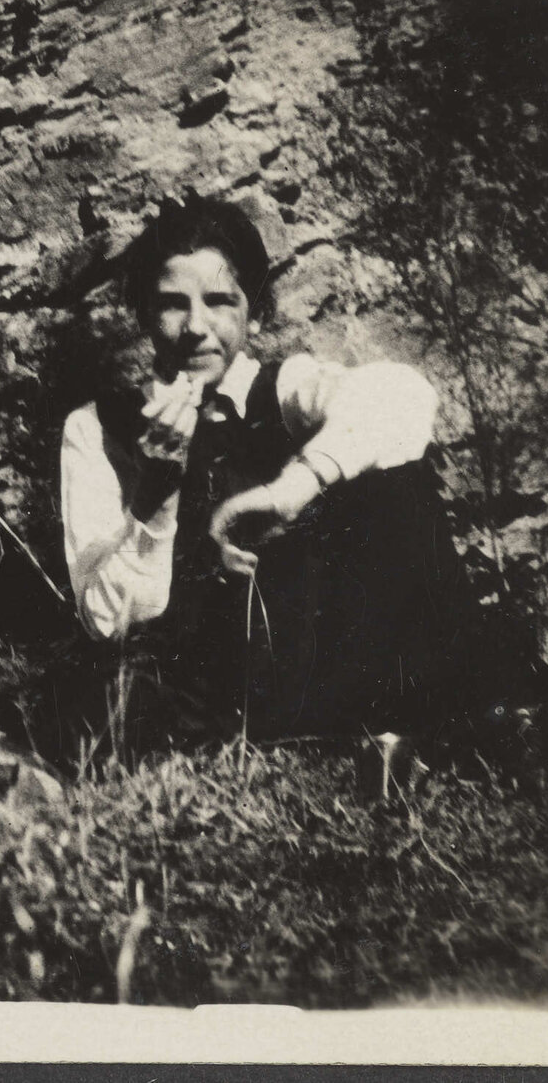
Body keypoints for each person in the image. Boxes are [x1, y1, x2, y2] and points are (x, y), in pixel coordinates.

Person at [60, 197, 480, 742]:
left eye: (220, 301)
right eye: (170, 303)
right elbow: (105, 623)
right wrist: (156, 497)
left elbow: (405, 394)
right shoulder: (97, 429)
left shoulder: (281, 388)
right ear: (142, 313)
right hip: (192, 696)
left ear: (255, 315)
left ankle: (439, 718)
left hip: (309, 658)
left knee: (399, 475)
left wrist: (293, 488)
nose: (195, 327)